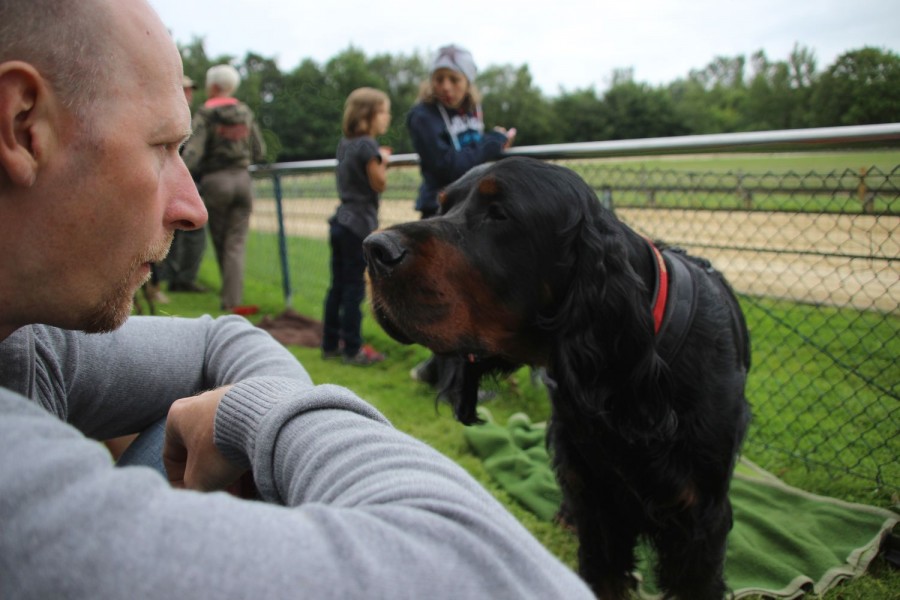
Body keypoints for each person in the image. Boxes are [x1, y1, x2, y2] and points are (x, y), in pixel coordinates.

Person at [0, 1, 593, 598]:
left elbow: (223, 339)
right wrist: (265, 420)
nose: (192, 208)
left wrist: (243, 411)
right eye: (161, 147)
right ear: (23, 124)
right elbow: (487, 573)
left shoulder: (27, 342)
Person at [406, 44, 516, 385]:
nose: (446, 87)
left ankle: (435, 371)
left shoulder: (472, 110)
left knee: (466, 294)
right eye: (439, 78)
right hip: (439, 213)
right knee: (448, 296)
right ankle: (455, 382)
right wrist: (491, 144)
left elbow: (473, 162)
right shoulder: (422, 116)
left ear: (468, 82)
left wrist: (491, 145)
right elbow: (447, 167)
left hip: (469, 213)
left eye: (454, 79)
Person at [181, 63, 265, 310]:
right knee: (236, 243)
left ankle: (230, 301)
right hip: (243, 181)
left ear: (214, 86)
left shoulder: (206, 114)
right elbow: (259, 149)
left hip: (216, 182)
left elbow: (194, 151)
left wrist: (181, 173)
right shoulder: (245, 112)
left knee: (221, 241)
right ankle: (232, 299)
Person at [322, 87, 392, 366]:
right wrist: (383, 160)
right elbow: (379, 183)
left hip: (341, 221)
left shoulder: (345, 143)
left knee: (337, 287)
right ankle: (353, 349)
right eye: (383, 112)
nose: (387, 118)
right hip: (358, 225)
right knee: (354, 289)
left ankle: (330, 344)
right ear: (368, 115)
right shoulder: (368, 145)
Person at [159, 75, 208, 294]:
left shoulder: (190, 116)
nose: (189, 94)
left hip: (182, 182)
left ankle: (175, 279)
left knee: (181, 233)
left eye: (190, 90)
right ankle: (167, 280)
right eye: (185, 89)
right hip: (170, 182)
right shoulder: (170, 116)